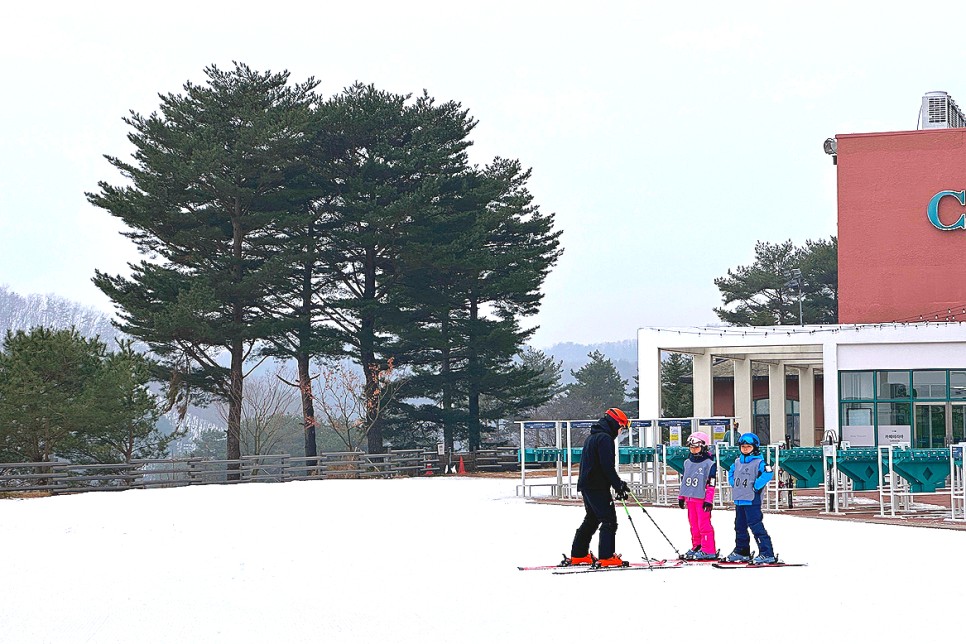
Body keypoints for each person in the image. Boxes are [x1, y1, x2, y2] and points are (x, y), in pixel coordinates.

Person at [562, 407, 632, 568]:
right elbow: (606, 466)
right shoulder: (605, 439)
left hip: (587, 485)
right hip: (597, 486)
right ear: (615, 424)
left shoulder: (592, 437)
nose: (621, 431)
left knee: (592, 519)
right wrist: (618, 485)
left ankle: (579, 554)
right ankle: (607, 557)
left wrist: (617, 484)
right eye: (621, 427)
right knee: (609, 521)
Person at [723, 432, 777, 564]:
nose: (745, 449)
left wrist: (756, 486)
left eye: (748, 447)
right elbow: (730, 472)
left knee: (755, 525)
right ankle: (742, 551)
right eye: (743, 447)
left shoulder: (759, 462)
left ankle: (767, 552)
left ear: (754, 447)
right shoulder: (737, 462)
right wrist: (733, 483)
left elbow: (768, 473)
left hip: (752, 499)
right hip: (739, 499)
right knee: (739, 526)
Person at [678, 431, 717, 560]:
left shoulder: (709, 464)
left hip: (701, 499)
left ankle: (708, 549)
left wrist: (709, 500)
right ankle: (697, 546)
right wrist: (681, 497)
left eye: (696, 447)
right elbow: (685, 481)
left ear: (704, 447)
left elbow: (711, 484)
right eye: (691, 447)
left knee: (703, 524)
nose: (693, 450)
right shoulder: (687, 462)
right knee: (693, 525)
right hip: (690, 499)